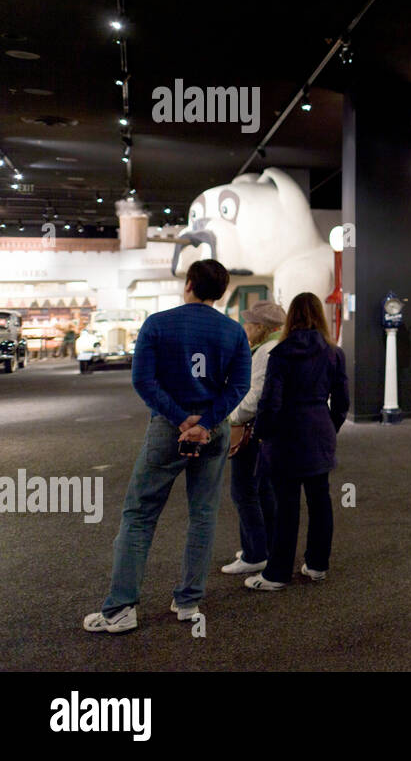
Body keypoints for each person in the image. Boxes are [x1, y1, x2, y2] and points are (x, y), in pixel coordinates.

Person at [83, 259, 251, 633]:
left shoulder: (157, 324)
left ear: (189, 283)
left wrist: (180, 420)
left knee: (140, 515)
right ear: (221, 292)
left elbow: (143, 381)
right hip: (214, 431)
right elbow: (239, 387)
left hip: (168, 430)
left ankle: (121, 609)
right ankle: (189, 601)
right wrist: (205, 423)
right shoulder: (234, 331)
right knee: (203, 515)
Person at [244, 292, 348, 591]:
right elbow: (342, 402)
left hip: (285, 436)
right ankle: (317, 565)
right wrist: (330, 426)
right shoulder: (334, 353)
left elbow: (271, 402)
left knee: (286, 505)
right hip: (319, 431)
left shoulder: (281, 353)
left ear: (291, 317)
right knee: (320, 501)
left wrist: (263, 433)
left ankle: (277, 574)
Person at [219, 300, 286, 576]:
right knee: (263, 491)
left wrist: (231, 417)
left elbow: (255, 396)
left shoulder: (264, 352)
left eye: (248, 323)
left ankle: (255, 553)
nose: (244, 328)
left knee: (243, 491)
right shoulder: (277, 346)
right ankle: (263, 546)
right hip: (271, 432)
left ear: (260, 327)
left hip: (254, 430)